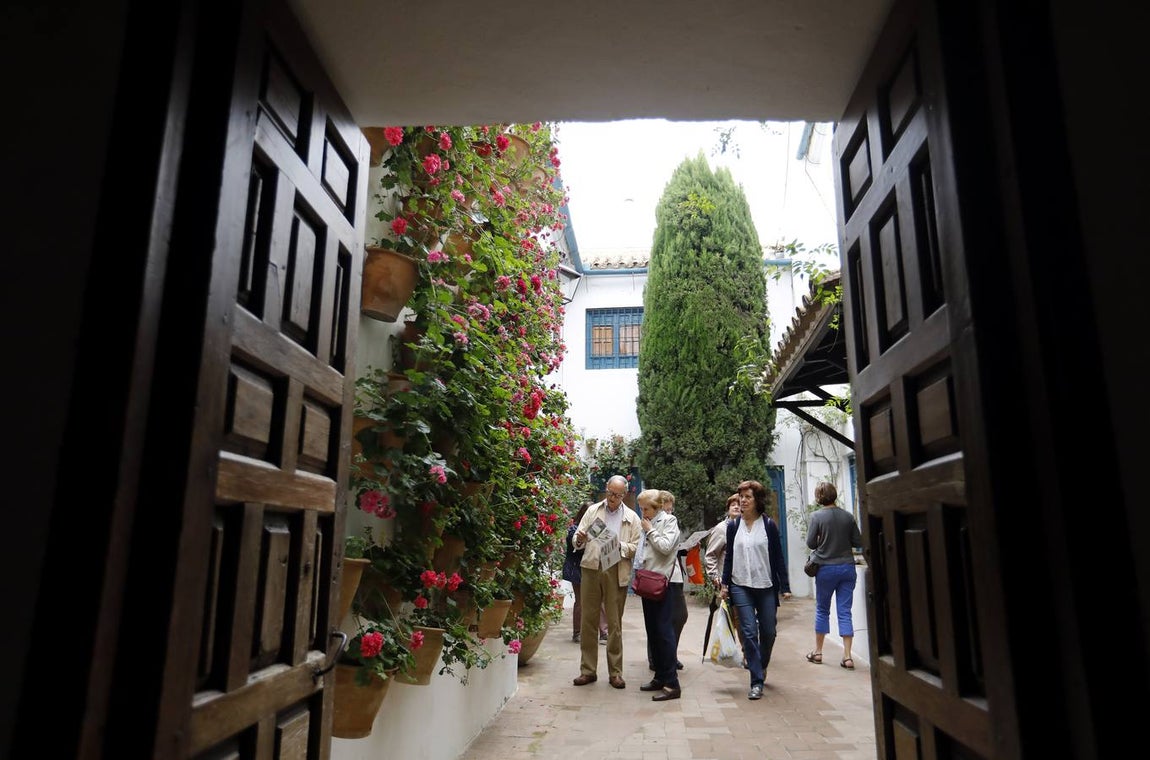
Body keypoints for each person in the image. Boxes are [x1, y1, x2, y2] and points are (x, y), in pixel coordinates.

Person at [721, 479, 792, 700]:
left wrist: (785, 586)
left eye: (747, 497)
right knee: (749, 632)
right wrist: (725, 584)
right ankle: (756, 681)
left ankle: (761, 665)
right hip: (740, 584)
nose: (742, 500)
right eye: (741, 496)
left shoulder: (768, 525)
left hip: (766, 586)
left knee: (769, 632)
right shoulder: (733, 526)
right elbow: (730, 557)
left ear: (757, 500)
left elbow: (778, 557)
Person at [571, 474, 642, 689]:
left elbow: (636, 547)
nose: (613, 498)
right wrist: (580, 538)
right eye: (611, 493)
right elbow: (577, 539)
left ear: (624, 494)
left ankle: (615, 673)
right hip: (592, 566)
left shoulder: (632, 517)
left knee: (614, 624)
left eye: (618, 495)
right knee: (588, 621)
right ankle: (588, 670)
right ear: (606, 489)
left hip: (616, 568)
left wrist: (617, 545)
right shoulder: (593, 511)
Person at [804, 481, 864, 669]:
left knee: (823, 609)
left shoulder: (816, 516)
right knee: (844, 611)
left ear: (819, 497)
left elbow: (811, 543)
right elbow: (857, 540)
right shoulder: (847, 516)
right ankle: (847, 656)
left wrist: (824, 540)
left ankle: (818, 652)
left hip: (826, 569)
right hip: (847, 567)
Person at [634, 489, 683, 701]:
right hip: (647, 581)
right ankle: (660, 676)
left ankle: (672, 684)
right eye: (641, 508)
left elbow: (665, 547)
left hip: (663, 583)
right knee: (653, 631)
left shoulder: (669, 521)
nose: (642, 511)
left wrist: (651, 531)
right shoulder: (647, 522)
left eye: (645, 508)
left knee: (664, 633)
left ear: (657, 507)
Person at [647, 490, 686, 672]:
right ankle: (658, 659)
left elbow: (668, 546)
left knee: (679, 616)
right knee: (659, 621)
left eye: (671, 510)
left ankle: (669, 654)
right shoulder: (651, 524)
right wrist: (651, 532)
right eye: (667, 510)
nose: (670, 514)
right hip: (660, 577)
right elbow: (662, 547)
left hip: (674, 575)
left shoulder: (668, 522)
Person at [563, 502, 609, 643]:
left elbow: (607, 545)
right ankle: (578, 633)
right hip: (577, 568)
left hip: (597, 566)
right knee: (581, 600)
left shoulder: (598, 526)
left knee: (600, 600)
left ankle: (604, 632)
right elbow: (576, 546)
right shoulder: (575, 529)